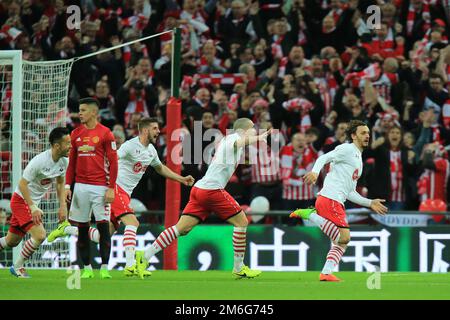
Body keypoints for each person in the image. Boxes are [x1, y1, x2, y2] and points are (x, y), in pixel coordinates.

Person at [48, 118, 195, 278]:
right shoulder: (130, 146)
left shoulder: (151, 150)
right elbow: (111, 159)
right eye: (155, 128)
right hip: (116, 189)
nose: (158, 131)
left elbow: (160, 168)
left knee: (102, 236)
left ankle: (66, 229)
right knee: (133, 222)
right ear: (145, 130)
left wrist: (181, 179)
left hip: (124, 193)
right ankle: (130, 264)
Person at [138, 118, 270, 278]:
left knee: (182, 228)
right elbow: (239, 143)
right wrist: (259, 138)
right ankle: (239, 267)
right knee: (242, 221)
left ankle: (144, 256)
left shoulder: (231, 142)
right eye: (252, 128)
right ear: (244, 130)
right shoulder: (233, 139)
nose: (255, 130)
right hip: (212, 190)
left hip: (200, 189)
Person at [289, 120, 388, 281]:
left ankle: (326, 273)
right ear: (353, 135)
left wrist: (370, 202)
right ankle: (311, 215)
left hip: (336, 200)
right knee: (344, 237)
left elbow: (350, 192)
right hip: (330, 198)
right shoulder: (347, 149)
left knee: (341, 242)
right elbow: (323, 157)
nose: (367, 135)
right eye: (363, 133)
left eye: (368, 133)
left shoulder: (358, 158)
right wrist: (314, 172)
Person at [0, 127, 70, 278]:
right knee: (40, 235)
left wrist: (63, 206)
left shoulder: (64, 161)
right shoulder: (39, 161)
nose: (70, 146)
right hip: (21, 201)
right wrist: (32, 207)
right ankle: (17, 267)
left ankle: (17, 266)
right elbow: (22, 184)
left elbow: (60, 182)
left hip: (32, 204)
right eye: (67, 143)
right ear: (57, 146)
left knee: (10, 241)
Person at [64, 97, 118, 279]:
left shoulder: (106, 133)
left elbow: (113, 162)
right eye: (79, 110)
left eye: (83, 110)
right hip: (80, 187)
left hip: (100, 187)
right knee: (82, 228)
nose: (80, 113)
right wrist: (67, 186)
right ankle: (86, 267)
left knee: (103, 227)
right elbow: (71, 164)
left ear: (94, 112)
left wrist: (111, 188)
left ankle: (104, 267)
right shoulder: (75, 134)